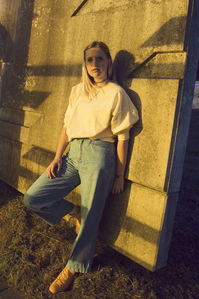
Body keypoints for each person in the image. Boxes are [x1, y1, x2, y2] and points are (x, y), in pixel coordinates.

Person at [23, 41, 139, 294]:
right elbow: (66, 127)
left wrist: (120, 174)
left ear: (108, 62)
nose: (94, 64)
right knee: (33, 197)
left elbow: (123, 138)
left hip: (100, 155)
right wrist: (57, 157)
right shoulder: (77, 91)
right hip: (73, 153)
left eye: (99, 59)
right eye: (90, 60)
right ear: (84, 65)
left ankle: (75, 266)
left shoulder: (117, 94)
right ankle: (72, 211)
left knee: (92, 217)